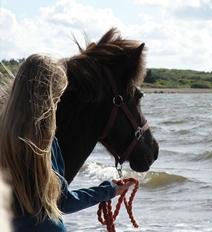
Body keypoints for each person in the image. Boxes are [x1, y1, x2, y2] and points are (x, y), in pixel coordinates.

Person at [0, 54, 133, 232]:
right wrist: (108, 190)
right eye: (57, 98)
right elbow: (62, 202)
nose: (58, 103)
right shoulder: (45, 143)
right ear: (48, 98)